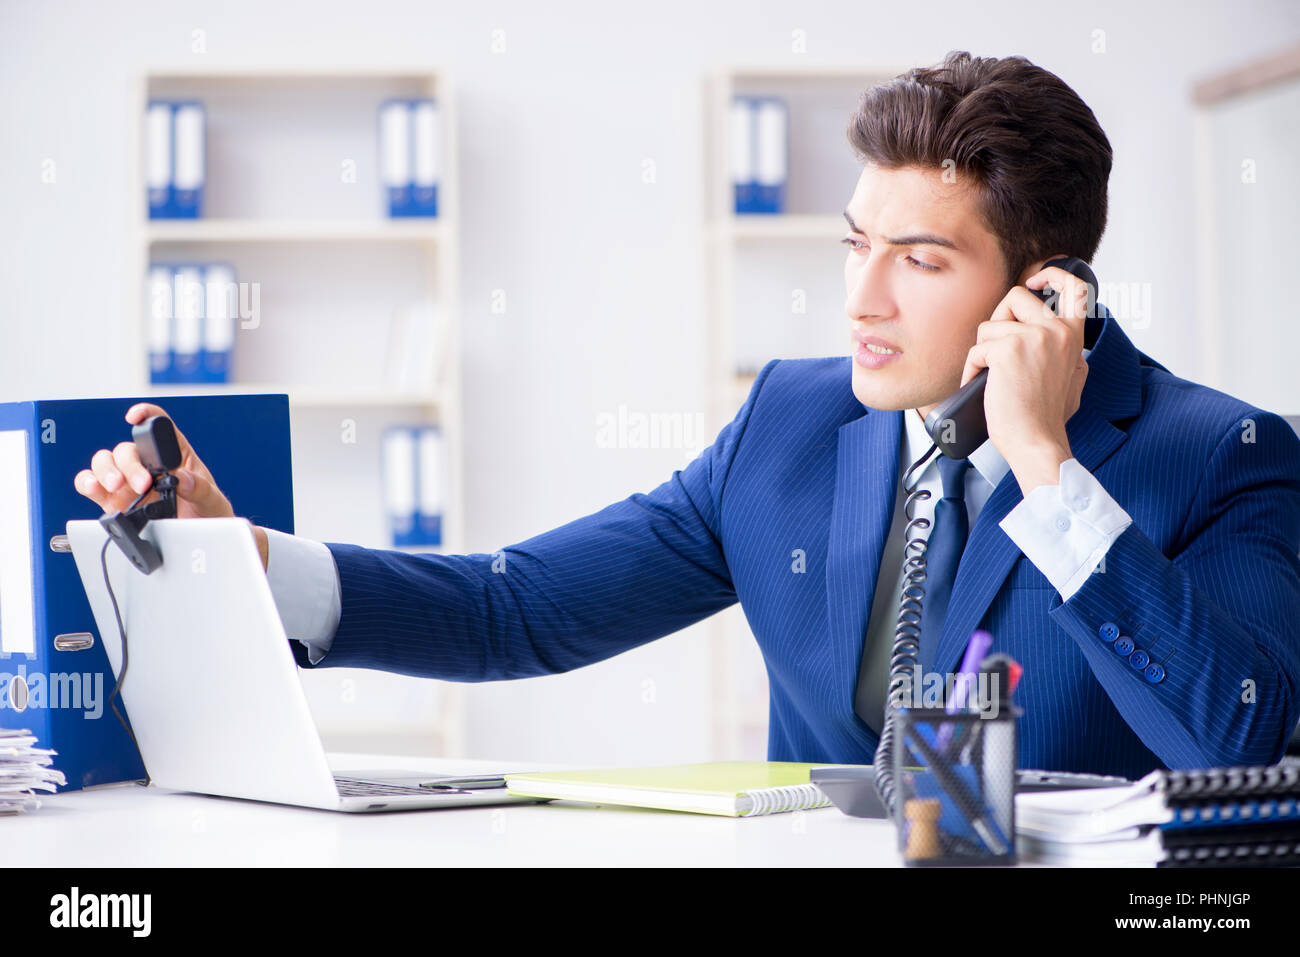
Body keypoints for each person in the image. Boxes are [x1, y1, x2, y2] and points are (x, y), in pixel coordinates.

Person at [75, 51, 1300, 780]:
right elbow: (517, 606)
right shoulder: (789, 425)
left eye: (919, 263)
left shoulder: (1222, 459)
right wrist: (244, 566)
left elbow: (1240, 745)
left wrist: (1043, 466)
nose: (861, 301)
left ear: (1040, 290)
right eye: (853, 244)